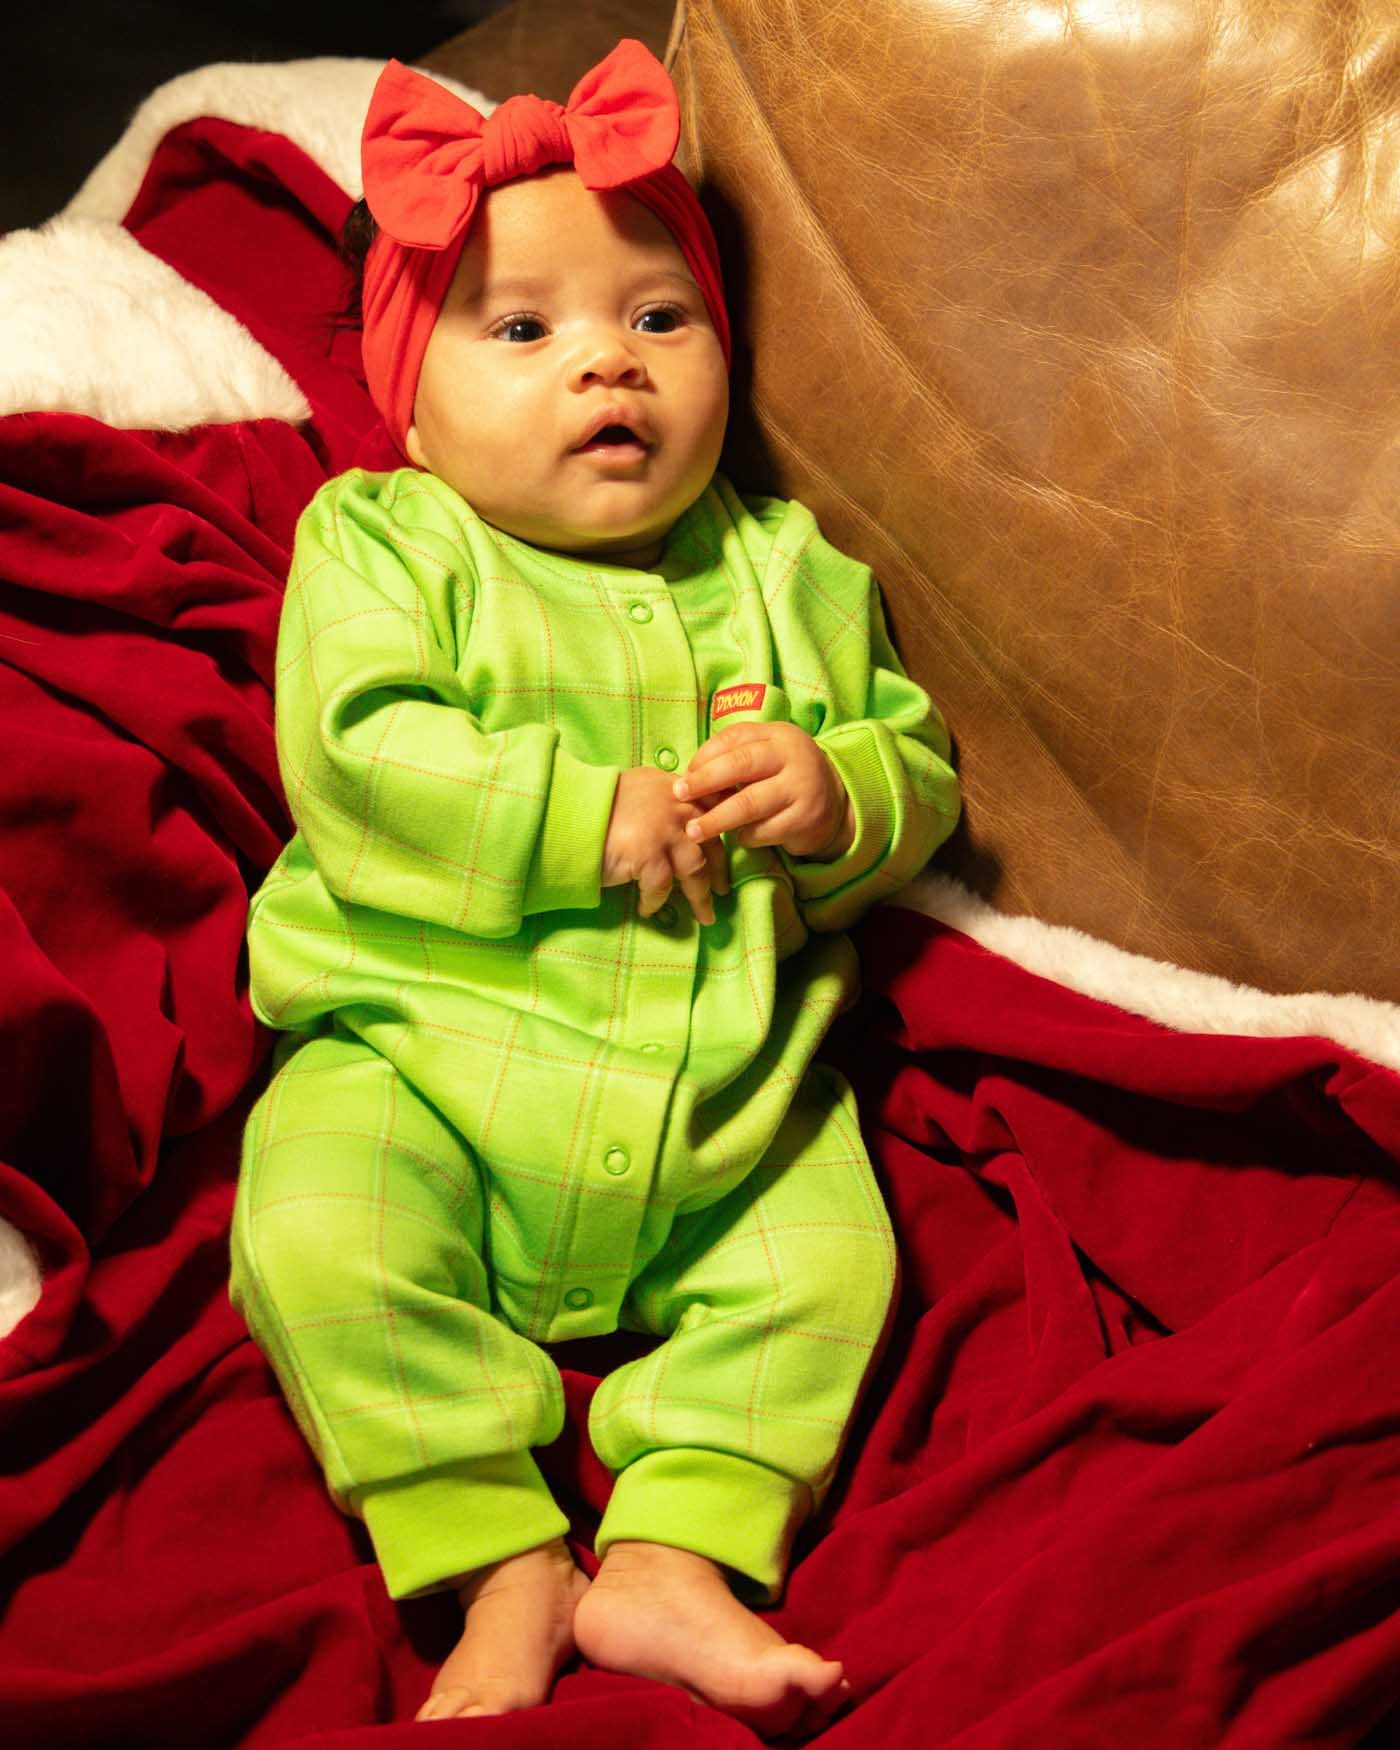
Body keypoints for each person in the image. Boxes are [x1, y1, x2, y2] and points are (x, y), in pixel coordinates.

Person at [229, 36, 960, 1737]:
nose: (608, 363)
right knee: (317, 1220)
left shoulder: (786, 568)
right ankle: (493, 1549)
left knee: (832, 1258)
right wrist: (577, 813)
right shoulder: (387, 541)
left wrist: (839, 791)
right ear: (413, 407)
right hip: (425, 1056)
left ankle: (676, 1551)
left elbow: (916, 762)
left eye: (659, 318)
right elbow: (355, 754)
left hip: (720, 1099)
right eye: (523, 329)